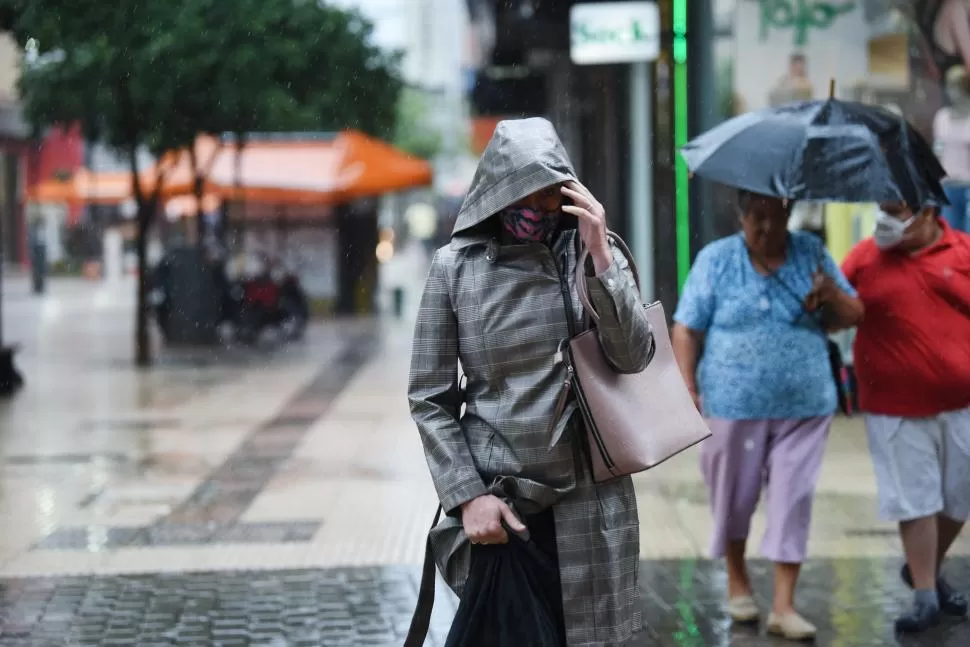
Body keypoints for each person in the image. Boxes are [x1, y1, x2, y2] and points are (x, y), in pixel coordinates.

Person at [408, 117, 654, 646]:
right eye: (529, 193)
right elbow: (430, 399)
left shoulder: (591, 251)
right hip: (505, 509)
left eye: (554, 195)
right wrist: (468, 496)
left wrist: (601, 260)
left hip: (593, 506)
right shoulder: (454, 269)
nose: (542, 211)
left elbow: (634, 357)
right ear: (500, 191)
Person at [672, 190, 864, 641]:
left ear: (789, 215)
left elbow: (855, 312)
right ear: (740, 216)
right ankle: (738, 581)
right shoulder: (716, 259)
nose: (765, 229)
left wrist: (830, 293)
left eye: (775, 218)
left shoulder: (811, 253)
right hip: (731, 404)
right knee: (734, 496)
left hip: (805, 404)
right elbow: (686, 327)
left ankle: (783, 604)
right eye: (756, 218)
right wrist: (687, 387)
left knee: (793, 498)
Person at [841, 201, 970, 634]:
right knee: (916, 501)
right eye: (882, 209)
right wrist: (829, 298)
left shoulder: (964, 252)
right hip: (893, 406)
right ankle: (925, 595)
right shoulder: (863, 257)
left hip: (962, 402)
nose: (885, 220)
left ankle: (925, 571)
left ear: (928, 212)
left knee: (959, 496)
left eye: (895, 211)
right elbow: (832, 315)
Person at [934, 65, 970, 231]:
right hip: (947, 185)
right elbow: (937, 151)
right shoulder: (942, 117)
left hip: (968, 185)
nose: (951, 91)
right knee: (949, 234)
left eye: (955, 86)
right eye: (949, 86)